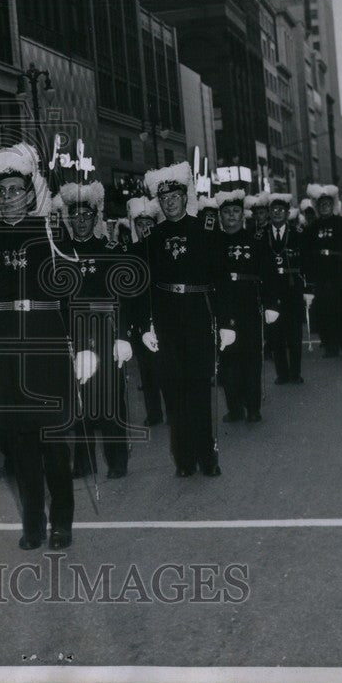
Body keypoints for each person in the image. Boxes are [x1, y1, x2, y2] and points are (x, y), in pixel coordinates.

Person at [0, 142, 83, 550]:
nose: (8, 198)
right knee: (20, 446)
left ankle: (63, 522)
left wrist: (83, 345)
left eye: (16, 190)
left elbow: (74, 294)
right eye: (1, 193)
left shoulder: (52, 233)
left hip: (47, 350)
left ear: (30, 192)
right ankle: (33, 523)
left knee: (53, 444)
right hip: (6, 356)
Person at [131, 162, 232, 478]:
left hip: (198, 316)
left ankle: (207, 456)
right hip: (165, 320)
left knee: (199, 389)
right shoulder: (151, 239)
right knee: (174, 391)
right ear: (158, 203)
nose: (169, 202)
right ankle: (183, 458)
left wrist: (226, 322)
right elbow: (140, 286)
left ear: (185, 197)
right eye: (164, 199)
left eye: (174, 196)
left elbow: (221, 280)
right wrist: (144, 324)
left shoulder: (205, 232)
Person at [53, 181, 134, 480]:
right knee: (79, 398)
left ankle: (117, 460)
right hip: (73, 333)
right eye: (76, 216)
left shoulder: (110, 250)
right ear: (69, 219)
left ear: (95, 217)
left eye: (87, 216)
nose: (82, 221)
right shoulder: (60, 253)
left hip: (105, 332)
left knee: (111, 398)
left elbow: (124, 297)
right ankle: (84, 461)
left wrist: (123, 336)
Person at [213, 189, 278, 423]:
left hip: (250, 304)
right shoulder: (214, 243)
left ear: (243, 215)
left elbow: (269, 274)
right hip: (223, 304)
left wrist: (272, 304)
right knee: (228, 359)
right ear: (221, 215)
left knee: (251, 359)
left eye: (236, 211)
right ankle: (234, 408)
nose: (231, 215)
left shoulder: (256, 241)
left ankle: (253, 407)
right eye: (227, 212)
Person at [302, 184, 342, 357]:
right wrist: (309, 277)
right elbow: (306, 253)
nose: (324, 206)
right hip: (321, 273)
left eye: (327, 203)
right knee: (324, 311)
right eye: (321, 204)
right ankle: (329, 346)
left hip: (338, 271)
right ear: (317, 207)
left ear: (333, 204)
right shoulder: (312, 228)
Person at [125, 196, 168, 428]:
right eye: (140, 225)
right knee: (147, 370)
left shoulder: (164, 250)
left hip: (164, 317)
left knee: (167, 367)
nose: (145, 229)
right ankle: (154, 412)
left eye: (149, 224)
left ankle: (172, 409)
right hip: (141, 318)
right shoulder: (130, 252)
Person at [262, 192, 308, 385]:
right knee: (275, 333)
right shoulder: (260, 234)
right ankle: (282, 373)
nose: (277, 213)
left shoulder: (297, 234)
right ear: (269, 213)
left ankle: (295, 372)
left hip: (292, 288)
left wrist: (308, 289)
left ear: (288, 212)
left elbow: (306, 262)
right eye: (274, 210)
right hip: (271, 288)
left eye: (281, 210)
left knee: (294, 333)